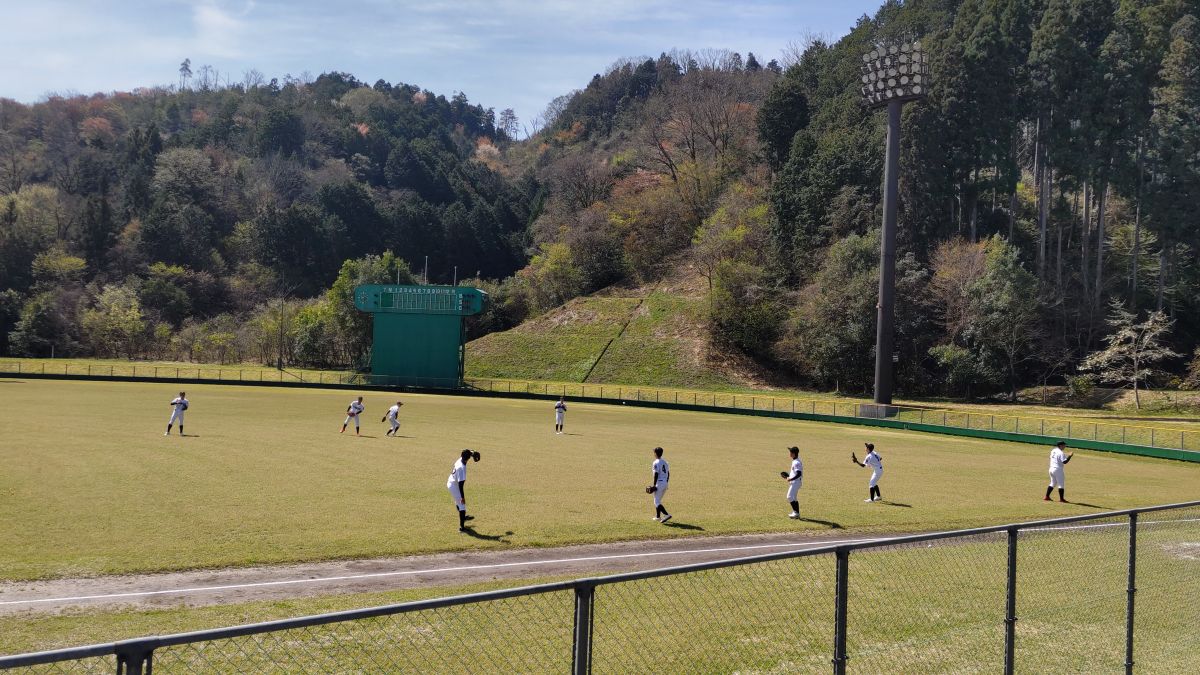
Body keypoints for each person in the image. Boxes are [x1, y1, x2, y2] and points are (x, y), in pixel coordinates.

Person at [447, 449, 481, 531]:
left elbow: (468, 453)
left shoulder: (460, 459)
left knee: (458, 502)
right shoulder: (461, 468)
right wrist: (462, 497)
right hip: (454, 486)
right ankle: (461, 527)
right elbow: (460, 485)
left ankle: (463, 517)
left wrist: (473, 453)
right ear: (468, 458)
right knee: (462, 505)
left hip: (451, 482)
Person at [647, 446, 672, 523]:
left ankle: (666, 515)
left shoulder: (656, 462)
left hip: (659, 483)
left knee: (656, 502)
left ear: (655, 453)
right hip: (665, 483)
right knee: (658, 500)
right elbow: (668, 473)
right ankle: (658, 516)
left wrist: (654, 485)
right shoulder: (665, 462)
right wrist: (666, 482)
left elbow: (656, 474)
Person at [781, 446, 803, 518]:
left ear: (793, 454)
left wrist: (791, 479)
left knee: (789, 497)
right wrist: (789, 477)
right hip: (796, 482)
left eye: (790, 452)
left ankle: (796, 513)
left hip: (796, 483)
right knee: (794, 498)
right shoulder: (796, 460)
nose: (789, 453)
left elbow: (799, 473)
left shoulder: (796, 462)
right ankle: (797, 513)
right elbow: (795, 472)